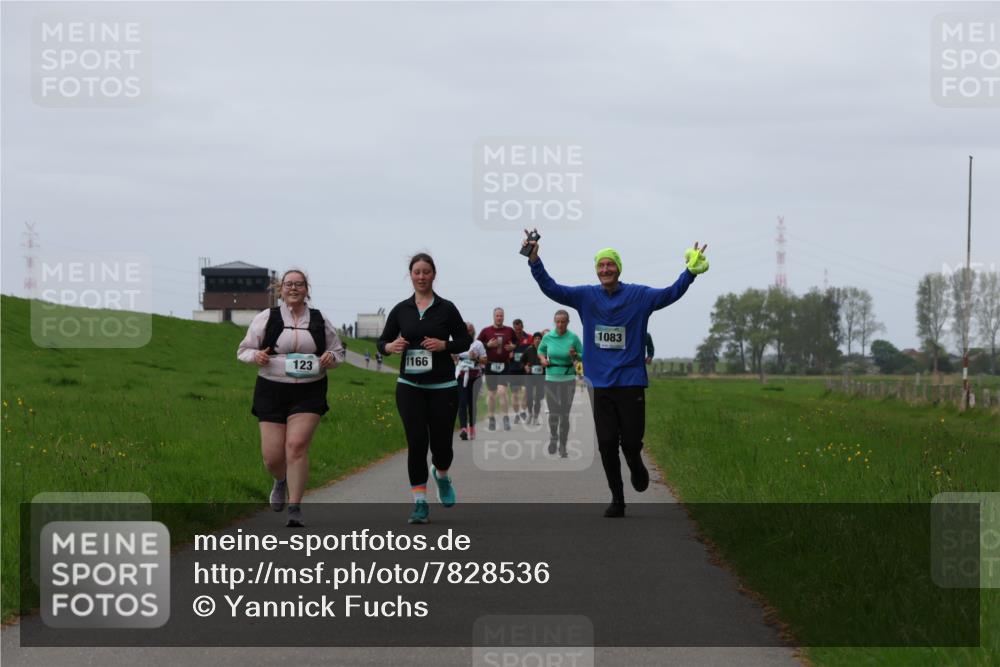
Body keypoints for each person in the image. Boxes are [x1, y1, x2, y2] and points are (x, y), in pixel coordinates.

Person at [524, 234, 709, 517]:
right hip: (600, 384)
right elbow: (552, 288)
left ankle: (635, 462)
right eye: (601, 265)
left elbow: (670, 293)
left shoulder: (639, 296)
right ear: (596, 270)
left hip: (630, 381)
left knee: (631, 443)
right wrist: (534, 260)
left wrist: (690, 273)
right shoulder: (586, 297)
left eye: (610, 264)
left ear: (619, 268)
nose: (605, 269)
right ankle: (618, 499)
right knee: (607, 443)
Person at [237, 269, 345, 527]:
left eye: (299, 284)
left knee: (296, 446)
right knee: (272, 457)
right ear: (281, 289)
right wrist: (256, 356)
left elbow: (338, 352)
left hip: (309, 390)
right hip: (271, 389)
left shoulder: (319, 319)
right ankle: (280, 480)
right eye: (289, 284)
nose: (294, 288)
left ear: (307, 289)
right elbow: (243, 350)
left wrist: (330, 358)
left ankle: (295, 507)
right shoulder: (267, 317)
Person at [378, 253, 472, 524]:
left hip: (443, 386)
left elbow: (464, 340)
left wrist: (445, 345)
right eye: (417, 272)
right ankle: (419, 503)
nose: (421, 277)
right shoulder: (401, 310)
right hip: (410, 386)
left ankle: (441, 475)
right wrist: (390, 346)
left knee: (442, 447)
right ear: (411, 275)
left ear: (433, 275)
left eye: (426, 272)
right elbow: (382, 342)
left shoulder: (446, 308)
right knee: (417, 442)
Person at [538, 311, 583, 458]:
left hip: (568, 379)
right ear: (554, 322)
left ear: (568, 322)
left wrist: (575, 355)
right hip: (551, 379)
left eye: (563, 321)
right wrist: (543, 359)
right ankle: (553, 436)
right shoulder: (548, 337)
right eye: (557, 321)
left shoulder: (573, 338)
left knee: (564, 414)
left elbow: (584, 355)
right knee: (553, 413)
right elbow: (540, 350)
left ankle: (563, 445)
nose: (560, 324)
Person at [477, 308, 516, 431]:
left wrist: (513, 347)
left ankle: (505, 418)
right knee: (491, 395)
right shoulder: (486, 331)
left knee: (502, 392)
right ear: (493, 317)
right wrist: (487, 345)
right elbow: (477, 345)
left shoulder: (509, 330)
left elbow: (516, 343)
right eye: (497, 315)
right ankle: (491, 418)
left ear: (503, 317)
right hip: (490, 366)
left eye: (501, 315)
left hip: (504, 365)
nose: (499, 318)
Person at [456, 322, 486, 440]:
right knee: (462, 402)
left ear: (474, 332)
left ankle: (472, 427)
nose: (469, 332)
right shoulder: (458, 343)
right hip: (462, 376)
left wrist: (476, 358)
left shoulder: (478, 344)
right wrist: (455, 358)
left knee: (472, 404)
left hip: (475, 377)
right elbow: (453, 357)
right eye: (467, 330)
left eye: (471, 330)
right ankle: (463, 429)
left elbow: (485, 360)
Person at [508, 318, 533, 424]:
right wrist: (508, 355)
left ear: (522, 327)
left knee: (527, 391)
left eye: (519, 329)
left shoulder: (529, 338)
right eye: (516, 329)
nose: (518, 331)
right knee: (515, 393)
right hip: (513, 370)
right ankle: (517, 414)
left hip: (525, 369)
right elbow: (503, 352)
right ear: (513, 328)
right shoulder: (509, 339)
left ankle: (523, 411)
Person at [520, 332, 545, 425]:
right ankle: (530, 413)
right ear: (533, 340)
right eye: (536, 339)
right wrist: (525, 367)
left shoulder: (545, 351)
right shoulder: (528, 350)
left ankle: (536, 417)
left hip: (540, 377)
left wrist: (546, 364)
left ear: (542, 340)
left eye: (539, 338)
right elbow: (521, 361)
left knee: (537, 397)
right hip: (530, 376)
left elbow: (550, 361)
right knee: (529, 396)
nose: (537, 340)